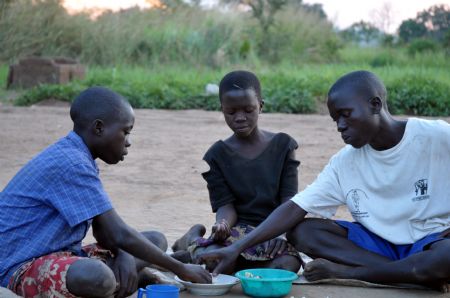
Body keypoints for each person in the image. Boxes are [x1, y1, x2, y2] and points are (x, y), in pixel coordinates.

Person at [198, 70, 450, 291]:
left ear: (375, 104)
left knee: (445, 256)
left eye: (346, 114)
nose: (340, 126)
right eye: (335, 119)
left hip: (430, 240)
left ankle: (355, 273)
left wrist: (345, 270)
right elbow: (296, 207)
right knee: (303, 231)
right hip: (376, 245)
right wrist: (235, 248)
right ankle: (412, 273)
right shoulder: (345, 162)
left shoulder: (436, 136)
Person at [0, 87, 211, 298]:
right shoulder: (72, 163)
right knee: (97, 276)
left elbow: (104, 231)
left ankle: (130, 275)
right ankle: (134, 276)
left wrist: (124, 253)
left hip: (59, 255)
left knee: (155, 239)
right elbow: (117, 233)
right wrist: (180, 270)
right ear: (99, 128)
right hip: (18, 268)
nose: (128, 142)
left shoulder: (80, 156)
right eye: (125, 132)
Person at [172, 70, 301, 274]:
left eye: (248, 110)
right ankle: (193, 240)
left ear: (261, 106)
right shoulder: (217, 155)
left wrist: (282, 233)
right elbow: (226, 207)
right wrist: (222, 224)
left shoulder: (283, 146)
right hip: (237, 232)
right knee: (215, 261)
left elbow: (290, 201)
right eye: (231, 112)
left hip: (274, 230)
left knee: (287, 267)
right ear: (222, 109)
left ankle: (192, 247)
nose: (240, 118)